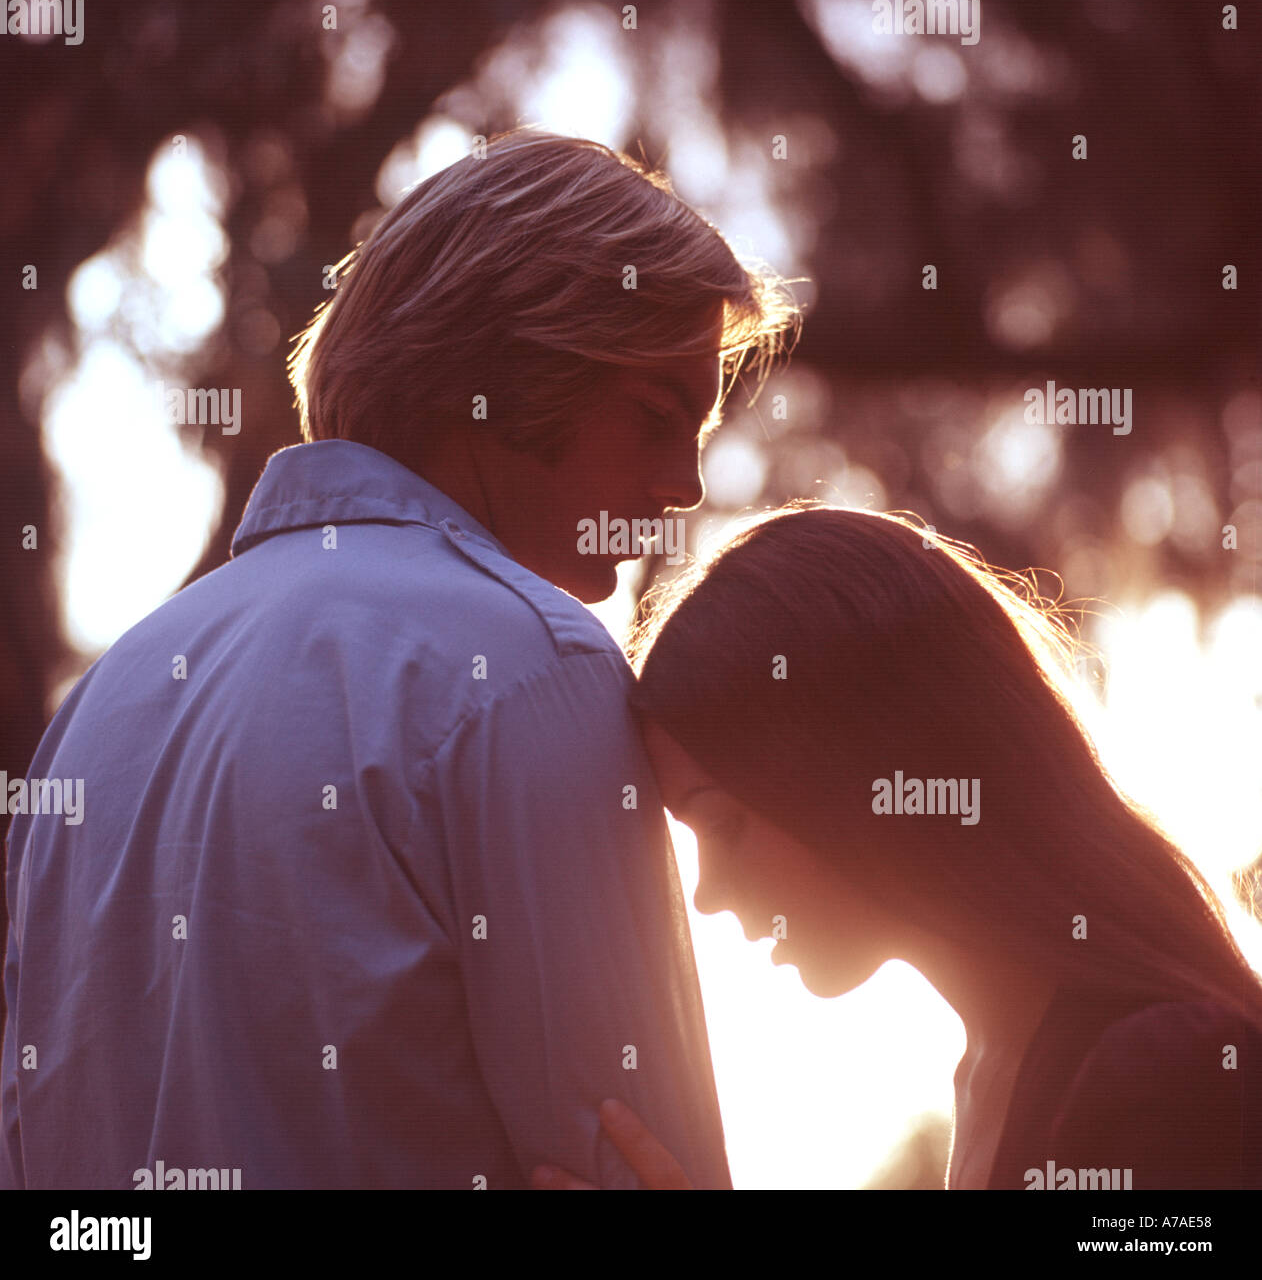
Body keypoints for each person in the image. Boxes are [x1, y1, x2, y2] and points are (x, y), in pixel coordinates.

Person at [0, 128, 800, 1189]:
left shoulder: (102, 706)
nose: (684, 485)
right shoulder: (530, 668)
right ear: (501, 371)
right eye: (657, 418)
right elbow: (642, 1162)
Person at [532, 505, 1262, 1189]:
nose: (707, 893)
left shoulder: (1172, 1076)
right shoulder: (992, 1070)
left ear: (858, 772)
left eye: (725, 825)